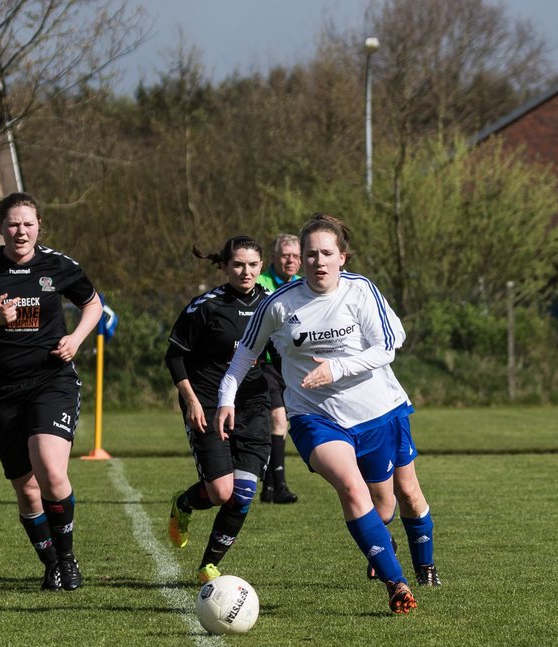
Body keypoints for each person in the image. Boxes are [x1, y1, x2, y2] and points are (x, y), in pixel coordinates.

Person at [217, 213, 438, 614]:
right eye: (310, 254)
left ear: (342, 258)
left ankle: (420, 563)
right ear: (299, 260)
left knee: (389, 500)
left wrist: (336, 367)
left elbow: (387, 347)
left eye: (326, 253)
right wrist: (225, 400)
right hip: (314, 417)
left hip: (376, 413)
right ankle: (397, 584)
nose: (318, 262)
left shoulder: (360, 291)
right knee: (352, 490)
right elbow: (243, 357)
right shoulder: (279, 305)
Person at [0, 192, 102, 592]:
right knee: (26, 487)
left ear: (39, 226)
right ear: (1, 227)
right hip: (1, 390)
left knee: (51, 471)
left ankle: (69, 560)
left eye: (28, 224)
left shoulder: (59, 266)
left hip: (50, 380)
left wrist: (76, 338)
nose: (21, 231)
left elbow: (93, 304)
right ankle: (50, 562)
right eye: (13, 224)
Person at [166, 236, 273, 584]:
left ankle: (208, 565)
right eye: (238, 264)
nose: (246, 271)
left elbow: (285, 351)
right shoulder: (206, 306)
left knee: (242, 493)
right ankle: (184, 503)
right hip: (208, 401)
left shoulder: (272, 306)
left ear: (261, 267)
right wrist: (191, 400)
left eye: (253, 265)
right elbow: (175, 355)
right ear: (225, 266)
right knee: (220, 493)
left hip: (253, 402)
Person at [253, 233, 302, 504]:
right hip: (265, 364)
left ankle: (269, 486)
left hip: (291, 365)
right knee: (279, 420)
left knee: (281, 426)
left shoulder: (302, 286)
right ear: (275, 257)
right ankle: (280, 485)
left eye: (296, 256)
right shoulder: (261, 283)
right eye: (286, 255)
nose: (291, 261)